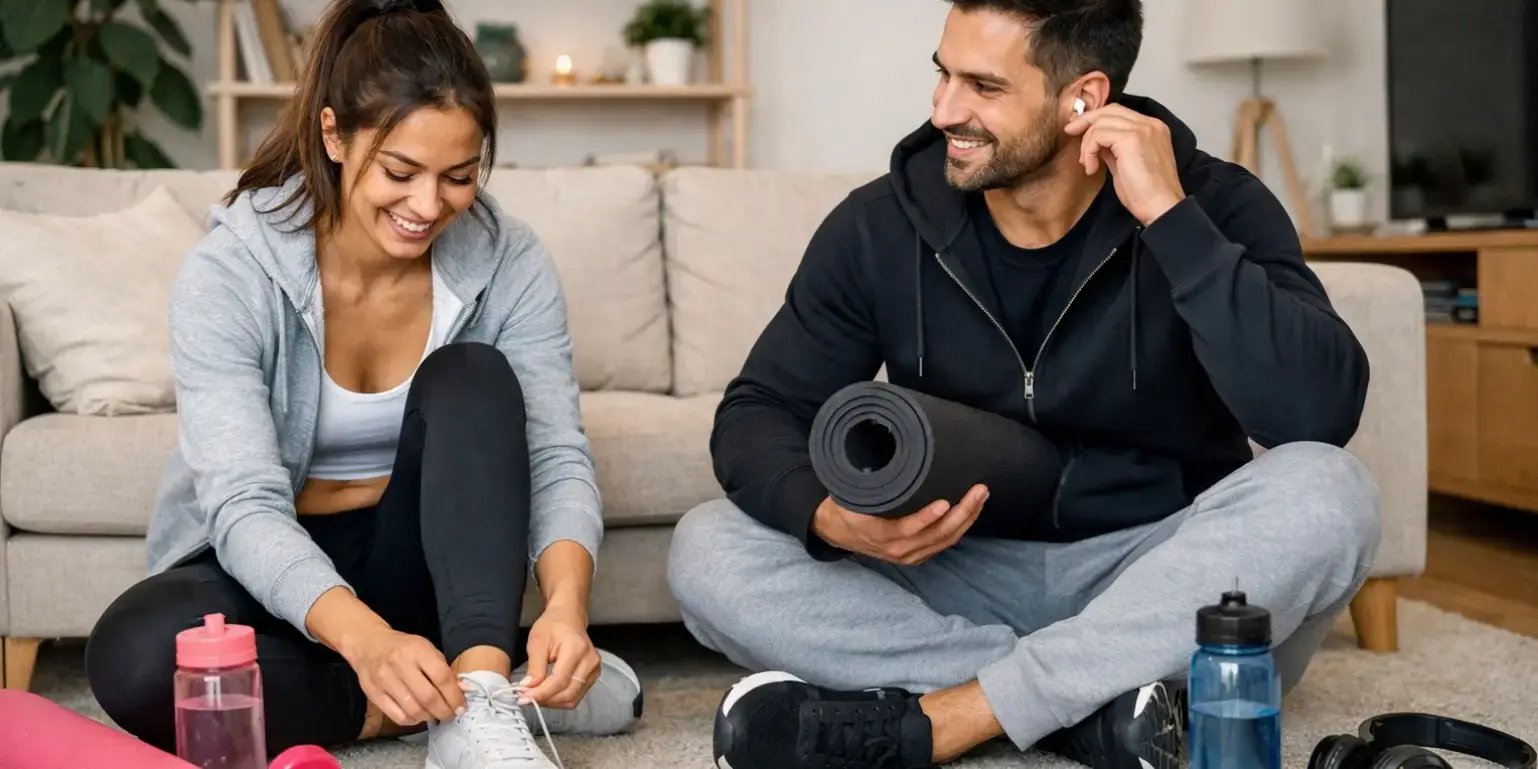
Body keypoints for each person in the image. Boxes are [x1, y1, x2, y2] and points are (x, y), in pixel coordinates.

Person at [668, 1, 1380, 768]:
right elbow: (758, 411)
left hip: (1161, 568)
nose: (944, 110)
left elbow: (1317, 415)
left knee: (1329, 492)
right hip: (961, 570)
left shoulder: (1215, 204)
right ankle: (1093, 708)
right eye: (943, 74)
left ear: (1085, 98)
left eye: (983, 86)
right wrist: (829, 517)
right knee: (709, 549)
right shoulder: (879, 224)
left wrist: (1171, 219)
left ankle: (955, 713)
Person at [84, 2, 640, 767]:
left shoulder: (509, 259)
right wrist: (367, 642)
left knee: (474, 374)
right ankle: (441, 705)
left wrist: (568, 609)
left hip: (424, 566)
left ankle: (478, 692)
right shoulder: (230, 272)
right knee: (135, 657)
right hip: (278, 575)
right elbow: (242, 502)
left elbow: (554, 452)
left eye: (458, 177)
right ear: (334, 135)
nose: (427, 206)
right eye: (401, 172)